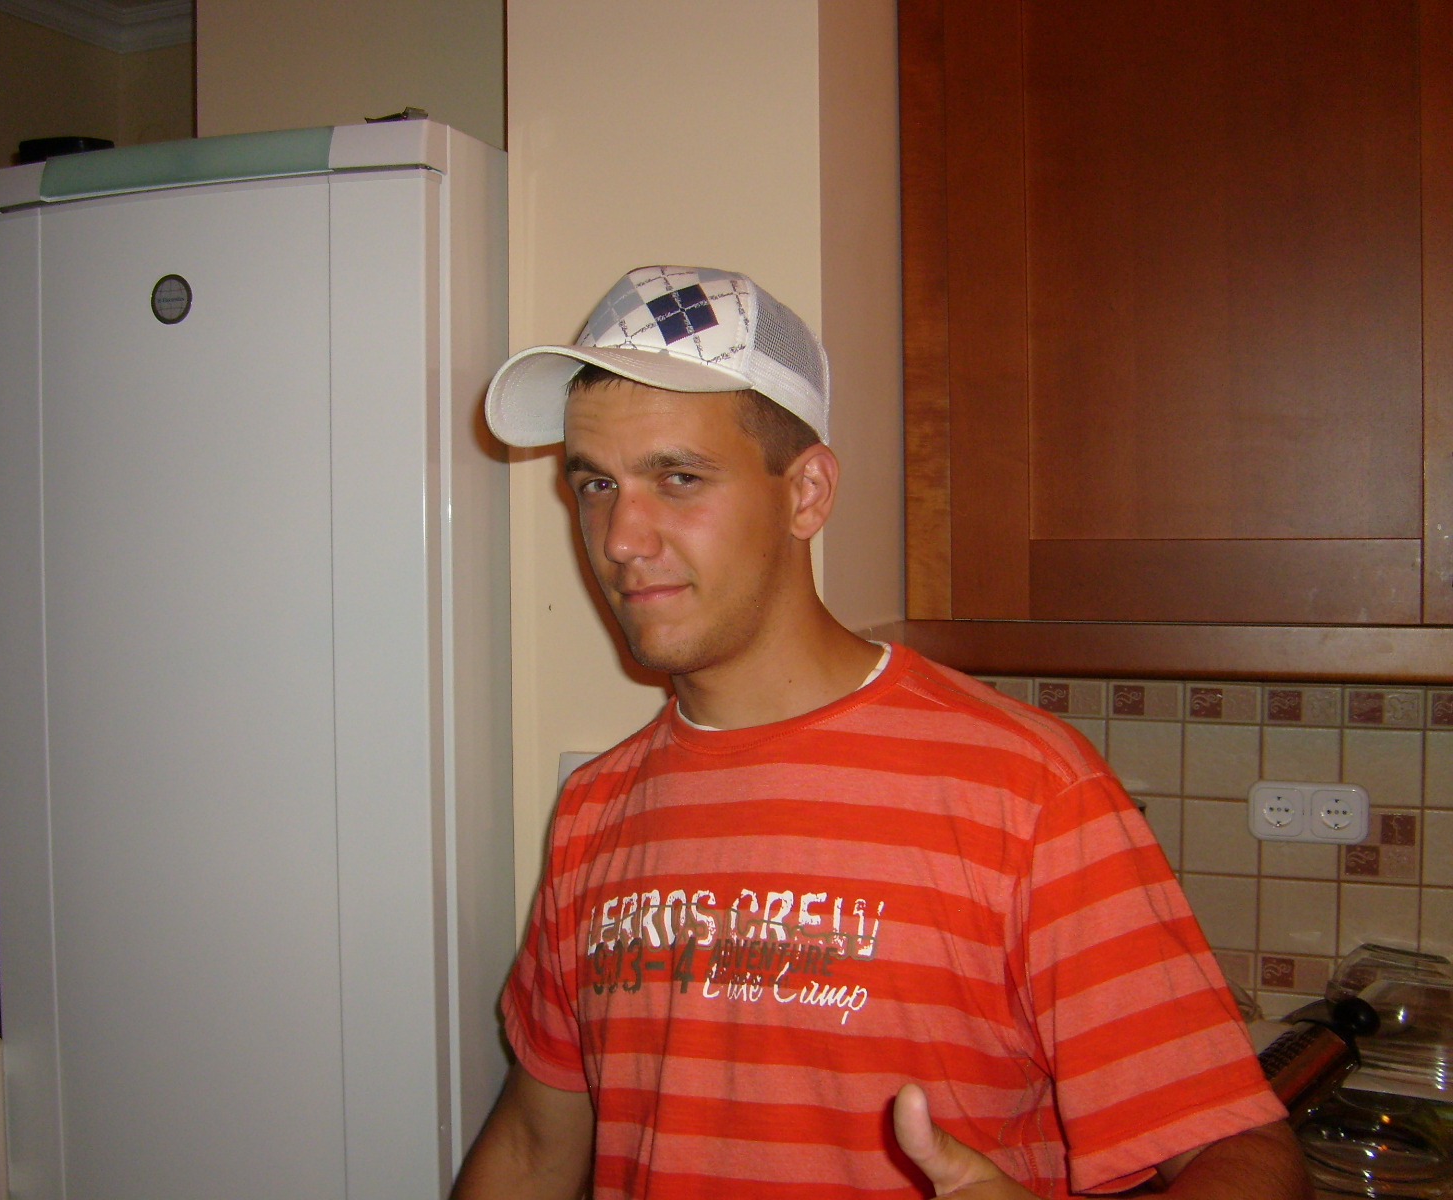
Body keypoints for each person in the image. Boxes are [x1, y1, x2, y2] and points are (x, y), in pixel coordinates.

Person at [459, 266, 1309, 1199]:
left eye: (678, 478)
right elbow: (534, 1147)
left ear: (807, 493)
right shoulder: (596, 810)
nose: (621, 537)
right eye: (595, 484)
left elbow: (1238, 1151)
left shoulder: (1026, 789)